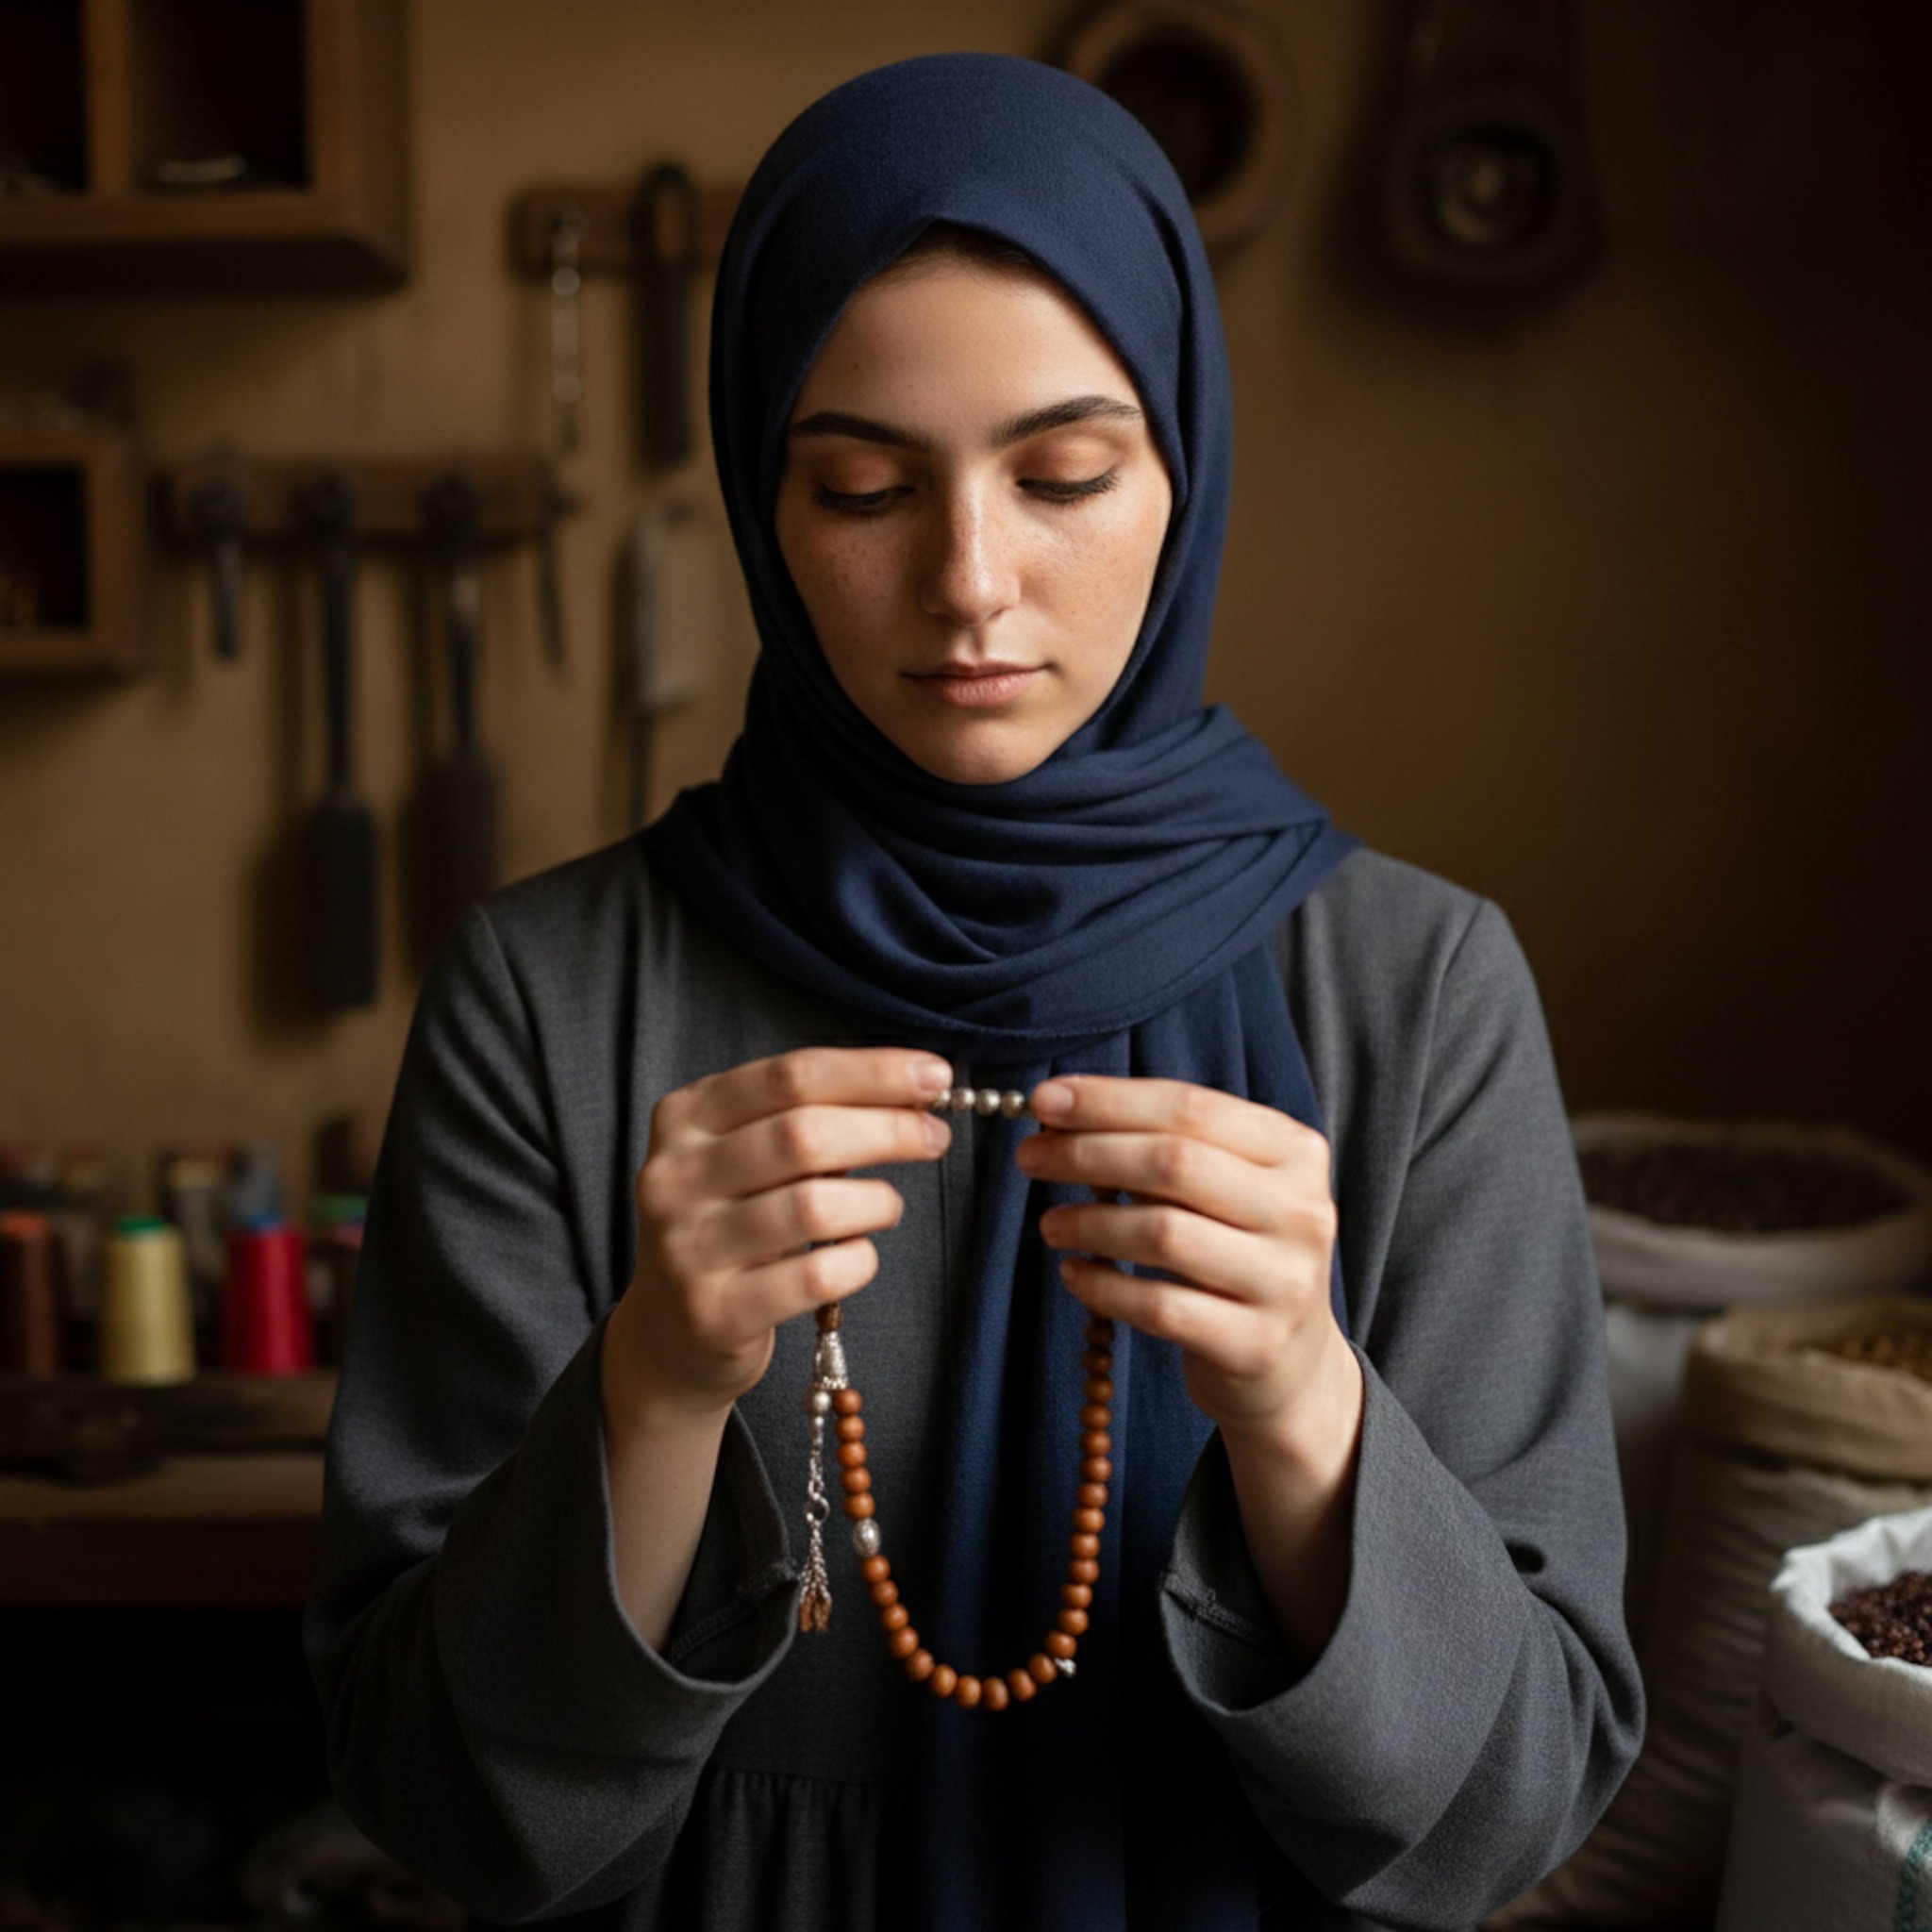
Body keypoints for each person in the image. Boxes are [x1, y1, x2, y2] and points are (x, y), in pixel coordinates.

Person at [304, 52, 1642, 1932]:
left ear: (1183, 466)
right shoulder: (548, 996)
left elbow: (1512, 1816)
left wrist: (1304, 1406)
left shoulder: (1414, 991)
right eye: (860, 484)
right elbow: (444, 1806)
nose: (970, 585)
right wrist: (655, 1387)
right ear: (761, 496)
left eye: (1065, 472)